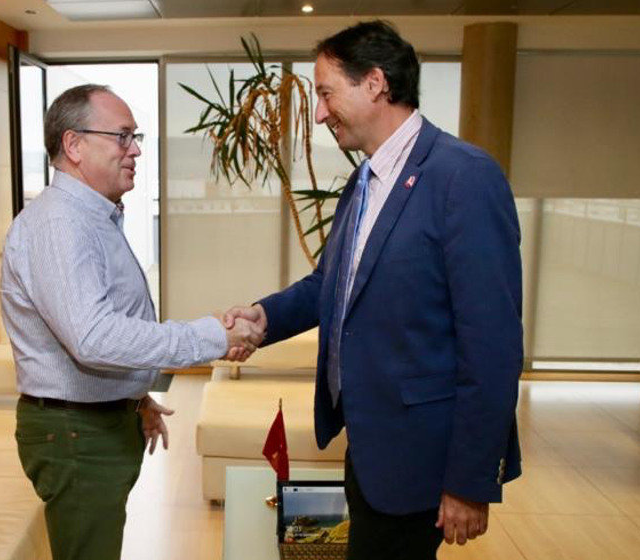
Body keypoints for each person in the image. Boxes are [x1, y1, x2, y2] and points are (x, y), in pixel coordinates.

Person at [224, 21, 522, 560]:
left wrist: (470, 481)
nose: (318, 112)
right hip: (371, 445)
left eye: (325, 93)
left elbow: (494, 347)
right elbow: (332, 284)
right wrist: (263, 318)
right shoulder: (363, 181)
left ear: (376, 83)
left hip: (423, 459)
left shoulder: (464, 178)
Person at [0, 84, 263, 560]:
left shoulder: (92, 218)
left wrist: (134, 395)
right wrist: (214, 335)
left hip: (93, 421)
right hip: (76, 433)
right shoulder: (60, 225)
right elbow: (94, 337)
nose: (136, 149)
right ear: (74, 145)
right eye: (123, 137)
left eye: (134, 137)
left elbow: (100, 323)